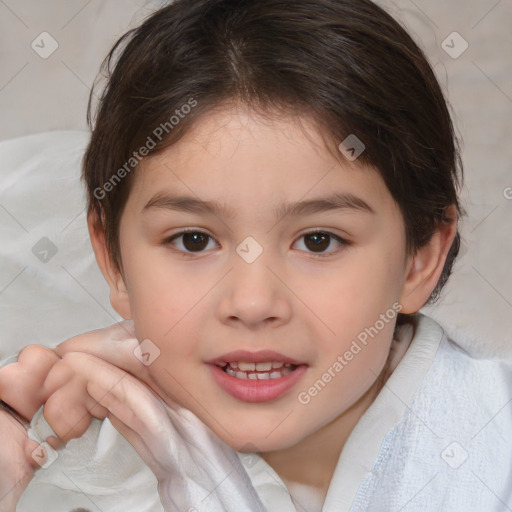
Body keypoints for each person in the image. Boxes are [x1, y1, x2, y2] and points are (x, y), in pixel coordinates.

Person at [1, 0, 511, 510]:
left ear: (420, 257)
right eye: (193, 240)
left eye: (318, 241)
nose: (251, 302)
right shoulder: (51, 455)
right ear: (112, 258)